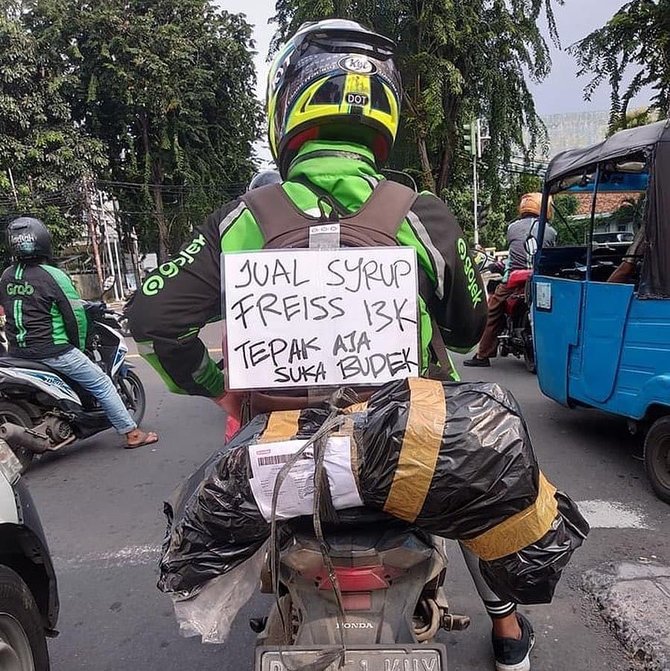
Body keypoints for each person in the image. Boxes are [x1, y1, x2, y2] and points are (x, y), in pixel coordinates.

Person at [130, 19, 534, 671]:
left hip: (284, 446)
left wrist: (217, 384)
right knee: (474, 484)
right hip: (411, 450)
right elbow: (464, 331)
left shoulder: (244, 218)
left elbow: (151, 319)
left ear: (285, 108)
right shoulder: (422, 211)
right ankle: (508, 625)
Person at [0, 217, 158, 449]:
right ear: (43, 241)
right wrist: (78, 345)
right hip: (52, 350)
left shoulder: (7, 276)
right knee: (102, 383)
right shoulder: (53, 275)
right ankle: (132, 433)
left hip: (18, 353)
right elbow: (76, 318)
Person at [465, 192, 557, 368]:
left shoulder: (512, 228)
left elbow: (515, 251)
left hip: (514, 279)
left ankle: (483, 355)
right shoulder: (550, 231)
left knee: (493, 310)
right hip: (541, 278)